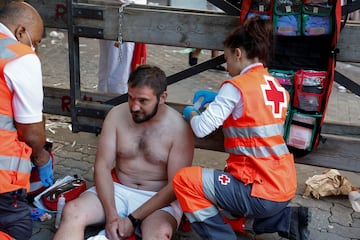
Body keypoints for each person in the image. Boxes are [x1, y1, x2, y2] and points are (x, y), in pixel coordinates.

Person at [175, 17, 310, 240]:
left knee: (185, 181)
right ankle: (286, 219)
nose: (227, 67)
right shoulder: (275, 86)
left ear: (238, 54)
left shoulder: (236, 86)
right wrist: (220, 99)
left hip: (256, 187)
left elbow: (201, 128)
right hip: (282, 184)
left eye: (227, 58)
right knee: (220, 204)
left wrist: (191, 112)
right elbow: (253, 114)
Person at [53, 64, 194, 240]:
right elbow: (102, 167)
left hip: (157, 198)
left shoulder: (179, 128)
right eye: (130, 98)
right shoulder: (116, 115)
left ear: (162, 97)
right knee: (72, 212)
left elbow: (175, 187)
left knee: (159, 234)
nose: (134, 107)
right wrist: (112, 216)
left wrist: (133, 219)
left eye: (143, 101)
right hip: (117, 188)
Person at [0, 2, 54, 240]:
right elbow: (31, 132)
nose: (36, 49)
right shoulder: (20, 57)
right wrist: (42, 159)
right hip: (3, 180)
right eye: (37, 42)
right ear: (21, 32)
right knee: (18, 229)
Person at [97, 0, 147, 94]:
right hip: (120, 13)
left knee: (113, 68)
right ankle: (111, 102)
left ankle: (107, 101)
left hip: (122, 13)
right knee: (116, 70)